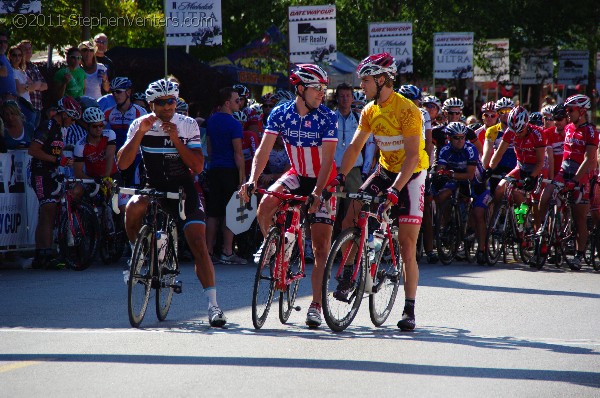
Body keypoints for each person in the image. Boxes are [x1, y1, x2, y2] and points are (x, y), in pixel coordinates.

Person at [117, 78, 228, 327]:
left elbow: (198, 166)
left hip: (184, 189)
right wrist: (140, 133)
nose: (168, 107)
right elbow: (122, 164)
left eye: (172, 101)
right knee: (133, 205)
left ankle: (213, 306)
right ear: (151, 104)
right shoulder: (139, 123)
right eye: (162, 103)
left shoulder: (187, 124)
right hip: (153, 186)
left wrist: (177, 140)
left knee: (198, 242)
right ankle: (139, 253)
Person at [238, 63, 337, 328]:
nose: (322, 93)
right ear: (301, 88)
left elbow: (327, 160)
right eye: (318, 89)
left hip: (323, 180)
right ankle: (278, 246)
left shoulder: (327, 117)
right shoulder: (281, 114)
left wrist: (318, 192)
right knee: (266, 205)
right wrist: (252, 180)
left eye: (324, 89)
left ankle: (316, 304)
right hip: (297, 174)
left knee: (321, 248)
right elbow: (263, 150)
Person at [334, 53, 427, 331]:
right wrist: (339, 176)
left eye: (365, 80)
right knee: (353, 212)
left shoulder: (408, 110)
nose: (361, 86)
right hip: (385, 170)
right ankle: (349, 273)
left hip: (411, 174)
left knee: (408, 245)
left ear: (382, 79)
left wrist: (396, 190)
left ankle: (409, 309)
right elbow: (354, 148)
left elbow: (412, 156)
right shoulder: (369, 111)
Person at [537, 95, 598, 268]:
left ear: (582, 111)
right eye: (567, 110)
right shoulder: (569, 127)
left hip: (581, 176)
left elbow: (589, 159)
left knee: (579, 219)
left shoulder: (591, 131)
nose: (567, 113)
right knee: (545, 194)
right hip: (564, 172)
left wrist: (575, 181)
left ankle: (579, 255)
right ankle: (542, 232)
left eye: (570, 110)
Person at [28, 96, 81, 269]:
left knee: (50, 212)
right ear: (64, 114)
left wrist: (62, 160)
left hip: (51, 173)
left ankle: (44, 251)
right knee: (47, 209)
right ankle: (43, 252)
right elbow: (33, 150)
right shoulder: (48, 126)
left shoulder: (60, 129)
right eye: (71, 117)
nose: (72, 122)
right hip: (40, 172)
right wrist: (57, 160)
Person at [434, 122, 490, 264]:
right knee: (441, 196)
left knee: (477, 213)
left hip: (476, 182)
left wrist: (448, 174)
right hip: (457, 179)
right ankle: (446, 224)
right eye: (456, 138)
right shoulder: (445, 149)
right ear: (449, 138)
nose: (460, 141)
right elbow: (440, 170)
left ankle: (482, 249)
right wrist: (440, 173)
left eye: (462, 137)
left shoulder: (470, 149)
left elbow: (470, 176)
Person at [205, 87, 247, 265]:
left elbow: (208, 148)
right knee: (231, 213)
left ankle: (207, 252)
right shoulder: (234, 124)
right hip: (229, 171)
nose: (240, 103)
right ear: (227, 103)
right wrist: (243, 178)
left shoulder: (211, 120)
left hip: (214, 169)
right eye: (237, 100)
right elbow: (238, 153)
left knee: (213, 214)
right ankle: (227, 252)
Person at [487, 106, 546, 227]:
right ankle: (498, 219)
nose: (517, 135)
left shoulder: (538, 134)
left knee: (525, 199)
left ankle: (523, 224)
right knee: (499, 189)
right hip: (520, 167)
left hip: (536, 168)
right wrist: (489, 169)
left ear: (526, 125)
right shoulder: (510, 132)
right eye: (514, 132)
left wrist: (532, 176)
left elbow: (541, 161)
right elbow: (498, 154)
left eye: (520, 131)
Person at [104, 77, 147, 186]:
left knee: (133, 186)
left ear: (128, 92)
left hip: (135, 155)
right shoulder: (108, 112)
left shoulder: (140, 111)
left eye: (118, 91)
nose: (115, 95)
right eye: (112, 92)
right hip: (115, 155)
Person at [482, 97, 517, 194]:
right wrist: (484, 169)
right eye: (502, 111)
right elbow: (487, 152)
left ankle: (521, 209)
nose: (506, 114)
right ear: (497, 114)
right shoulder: (492, 130)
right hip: (499, 166)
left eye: (508, 110)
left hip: (516, 166)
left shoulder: (518, 129)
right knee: (494, 194)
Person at [18, 40, 48, 128]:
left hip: (38, 107)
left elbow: (45, 86)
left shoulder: (34, 67)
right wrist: (36, 85)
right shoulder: (18, 67)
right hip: (25, 107)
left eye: (29, 49)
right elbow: (23, 86)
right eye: (25, 49)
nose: (28, 51)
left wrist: (34, 85)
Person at [544, 104, 567, 179]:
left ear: (567, 119)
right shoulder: (548, 133)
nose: (557, 122)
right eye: (555, 119)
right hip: (556, 174)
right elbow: (550, 158)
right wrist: (551, 179)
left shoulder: (572, 132)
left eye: (560, 119)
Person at [0, 32, 16, 98]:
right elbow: (3, 72)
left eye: (5, 42)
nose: (3, 44)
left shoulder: (4, 57)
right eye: (0, 42)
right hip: (3, 101)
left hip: (12, 99)